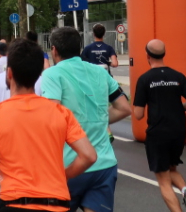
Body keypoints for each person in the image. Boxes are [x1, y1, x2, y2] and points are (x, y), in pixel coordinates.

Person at [0, 38, 98, 211]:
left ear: (9, 73)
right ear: (38, 74)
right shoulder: (61, 113)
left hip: (14, 203)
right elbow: (89, 156)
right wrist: (63, 176)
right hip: (57, 203)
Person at [42, 27, 132, 212]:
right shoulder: (100, 73)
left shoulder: (52, 74)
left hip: (69, 164)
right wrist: (99, 119)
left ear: (54, 50)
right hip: (104, 164)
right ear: (80, 48)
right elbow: (124, 108)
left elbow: (52, 116)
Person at [133, 39, 186, 212]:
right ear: (164, 54)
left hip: (158, 132)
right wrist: (181, 106)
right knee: (171, 168)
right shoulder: (178, 76)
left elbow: (138, 114)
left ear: (147, 55)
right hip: (179, 131)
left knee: (163, 180)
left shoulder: (144, 79)